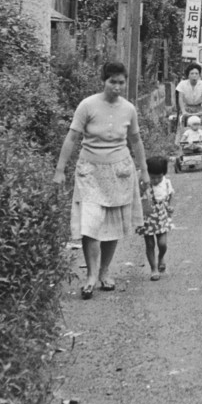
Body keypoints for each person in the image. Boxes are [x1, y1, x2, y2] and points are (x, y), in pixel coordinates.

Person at [53, 60, 148, 300]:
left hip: (119, 171)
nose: (117, 87)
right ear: (103, 82)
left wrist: (144, 170)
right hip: (90, 171)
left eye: (121, 82)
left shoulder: (129, 109)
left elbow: (136, 141)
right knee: (90, 223)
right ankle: (91, 275)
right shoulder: (87, 105)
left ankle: (105, 271)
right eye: (112, 82)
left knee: (112, 224)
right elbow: (72, 137)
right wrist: (60, 170)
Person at [136, 155, 173, 281]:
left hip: (161, 217)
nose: (156, 180)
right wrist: (142, 181)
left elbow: (169, 197)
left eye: (159, 177)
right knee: (150, 243)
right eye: (152, 177)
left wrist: (169, 208)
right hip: (147, 217)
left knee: (162, 243)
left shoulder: (166, 184)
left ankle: (161, 257)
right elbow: (137, 195)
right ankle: (153, 268)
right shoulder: (143, 184)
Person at [176, 62, 202, 138]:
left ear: (199, 75)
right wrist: (183, 111)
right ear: (188, 75)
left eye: (196, 73)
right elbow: (180, 98)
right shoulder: (182, 84)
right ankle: (182, 142)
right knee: (183, 125)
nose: (194, 76)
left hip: (198, 108)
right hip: (186, 108)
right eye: (192, 73)